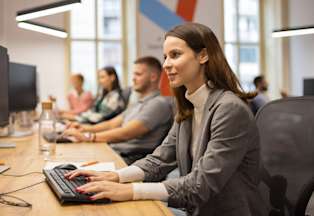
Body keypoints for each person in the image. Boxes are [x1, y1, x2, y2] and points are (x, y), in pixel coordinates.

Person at [64, 23, 266, 216]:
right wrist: (116, 176)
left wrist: (129, 191)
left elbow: (200, 185)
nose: (166, 64)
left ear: (203, 55)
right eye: (165, 57)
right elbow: (159, 160)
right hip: (196, 209)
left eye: (175, 55)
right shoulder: (189, 107)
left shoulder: (229, 109)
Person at [64, 56, 173, 165]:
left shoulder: (158, 104)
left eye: (138, 74)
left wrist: (89, 136)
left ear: (153, 77)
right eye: (133, 74)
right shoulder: (139, 103)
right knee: (69, 159)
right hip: (117, 151)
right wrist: (84, 128)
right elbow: (111, 124)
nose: (133, 78)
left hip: (131, 160)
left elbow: (126, 133)